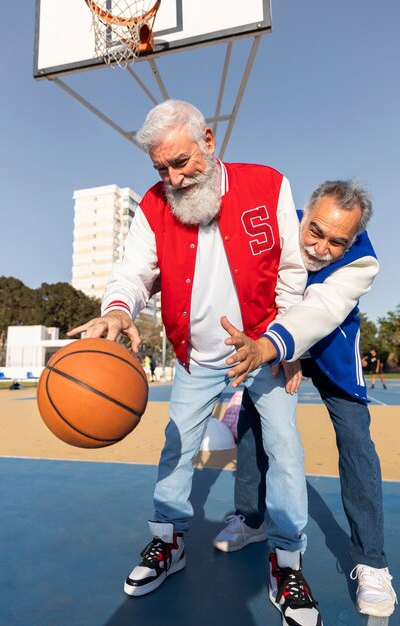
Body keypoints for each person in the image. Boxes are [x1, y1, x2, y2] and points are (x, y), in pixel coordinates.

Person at [68, 99, 323, 625]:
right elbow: (132, 274)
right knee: (177, 448)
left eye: (181, 162)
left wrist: (286, 340)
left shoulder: (267, 184)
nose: (174, 177)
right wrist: (117, 311)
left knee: (284, 449)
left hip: (262, 346)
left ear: (208, 140)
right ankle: (169, 542)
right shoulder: (154, 206)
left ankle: (288, 562)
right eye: (161, 168)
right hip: (196, 355)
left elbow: (293, 272)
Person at [213, 180, 397, 618]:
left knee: (355, 438)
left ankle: (371, 560)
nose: (321, 247)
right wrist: (279, 348)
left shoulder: (364, 262)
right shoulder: (279, 224)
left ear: (352, 239)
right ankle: (252, 520)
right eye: (315, 231)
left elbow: (319, 310)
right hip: (276, 331)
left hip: (329, 339)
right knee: (254, 422)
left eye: (338, 242)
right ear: (305, 211)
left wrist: (282, 346)